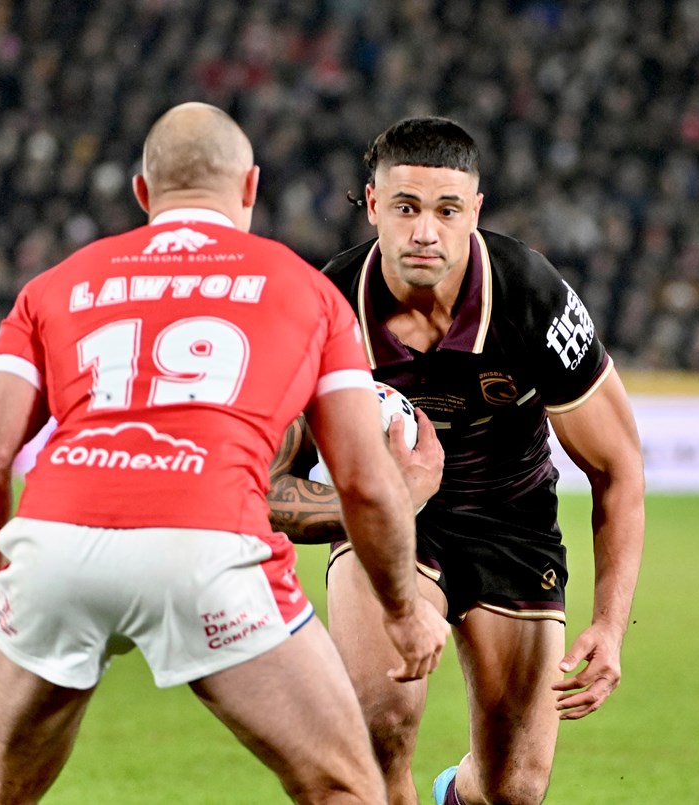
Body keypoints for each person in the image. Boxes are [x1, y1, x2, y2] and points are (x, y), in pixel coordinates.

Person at [0, 102, 448, 805]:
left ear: (143, 194)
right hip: (207, 543)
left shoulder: (54, 285)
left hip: (57, 541)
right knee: (343, 785)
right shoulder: (308, 290)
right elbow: (364, 479)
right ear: (250, 188)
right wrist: (402, 609)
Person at [267, 116, 645, 805]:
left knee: (514, 788)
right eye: (406, 207)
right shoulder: (327, 310)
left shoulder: (531, 296)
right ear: (373, 204)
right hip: (390, 519)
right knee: (379, 724)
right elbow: (271, 489)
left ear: (476, 209)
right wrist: (380, 505)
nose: (424, 232)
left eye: (447, 210)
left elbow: (617, 466)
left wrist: (610, 624)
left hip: (513, 522)